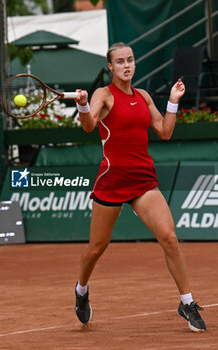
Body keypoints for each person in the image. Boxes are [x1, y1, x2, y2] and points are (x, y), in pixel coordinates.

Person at [74, 42, 206, 332]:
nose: (126, 65)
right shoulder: (103, 94)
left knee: (170, 238)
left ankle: (187, 302)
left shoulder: (144, 96)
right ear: (110, 67)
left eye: (130, 60)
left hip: (143, 180)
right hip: (112, 179)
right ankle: (81, 290)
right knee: (97, 248)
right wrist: (83, 104)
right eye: (120, 61)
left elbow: (165, 131)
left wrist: (173, 100)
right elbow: (88, 125)